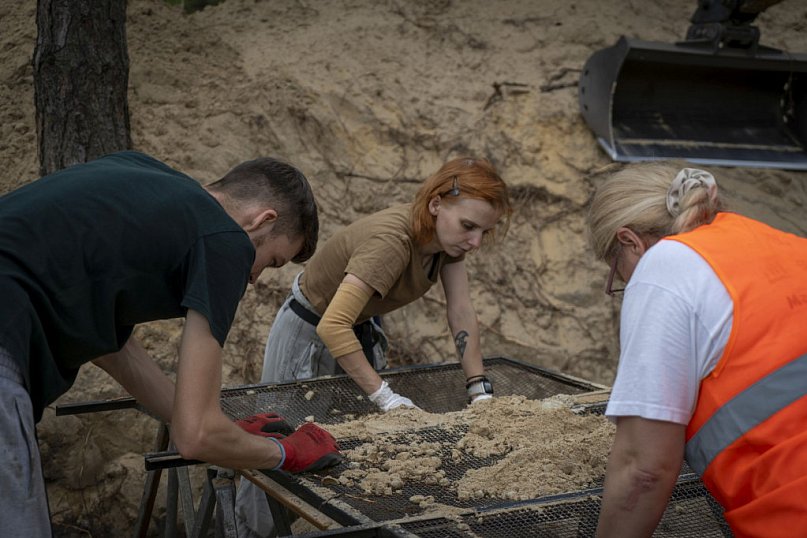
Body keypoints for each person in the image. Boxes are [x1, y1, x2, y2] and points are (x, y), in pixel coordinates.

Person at [0, 150, 342, 537]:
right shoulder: (226, 240)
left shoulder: (141, 174)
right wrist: (286, 453)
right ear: (262, 221)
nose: (254, 278)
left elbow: (114, 350)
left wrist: (225, 428)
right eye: (271, 261)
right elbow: (195, 437)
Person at [235, 156, 512, 537]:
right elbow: (333, 324)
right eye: (468, 226)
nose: (475, 241)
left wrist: (478, 389)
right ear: (435, 204)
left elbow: (461, 313)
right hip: (309, 329)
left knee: (356, 439)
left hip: (358, 329)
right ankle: (253, 532)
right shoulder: (392, 241)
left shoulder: (449, 246)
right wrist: (385, 396)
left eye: (484, 231)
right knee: (280, 444)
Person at [586, 162, 807, 537]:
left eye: (617, 273)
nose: (625, 283)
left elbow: (644, 469)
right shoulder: (781, 242)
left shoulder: (664, 266)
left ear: (630, 242)